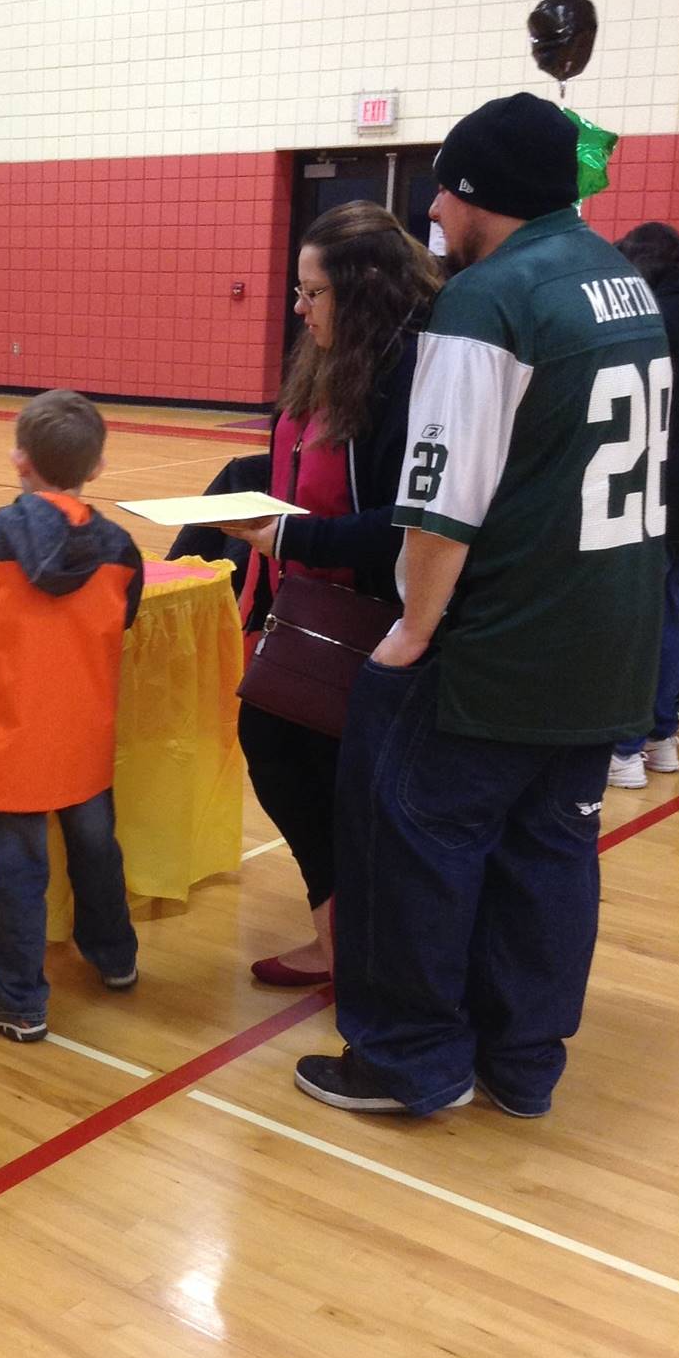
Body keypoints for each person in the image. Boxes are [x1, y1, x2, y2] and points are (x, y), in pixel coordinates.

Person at [297, 93, 669, 1119]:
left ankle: (407, 1063)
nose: (438, 215)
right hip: (611, 639)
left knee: (415, 847)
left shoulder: (487, 301)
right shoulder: (622, 282)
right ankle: (524, 1060)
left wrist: (414, 629)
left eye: (445, 193)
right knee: (551, 855)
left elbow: (441, 501)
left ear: (472, 198)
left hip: (499, 647)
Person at [216, 201, 440, 985]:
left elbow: (406, 525)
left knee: (334, 778)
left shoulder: (408, 378)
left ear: (365, 290)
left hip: (375, 624)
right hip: (302, 611)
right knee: (278, 750)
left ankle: (360, 946)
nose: (300, 308)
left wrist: (287, 539)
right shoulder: (326, 362)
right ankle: (339, 936)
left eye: (314, 293)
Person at [0, 389, 143, 1043]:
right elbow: (125, 617)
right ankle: (115, 955)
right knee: (97, 851)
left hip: (10, 736)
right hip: (83, 733)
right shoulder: (121, 549)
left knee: (16, 871)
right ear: (95, 469)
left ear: (19, 459)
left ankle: (17, 998)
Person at [606, 221, 679, 787]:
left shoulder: (657, 319)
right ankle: (661, 737)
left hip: (661, 490)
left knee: (643, 616)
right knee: (671, 613)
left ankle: (628, 745)